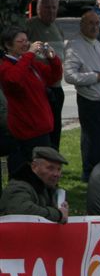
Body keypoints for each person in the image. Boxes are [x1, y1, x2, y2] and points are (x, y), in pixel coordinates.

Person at [64, 11, 100, 182]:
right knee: (91, 138)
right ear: (82, 25)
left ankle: (99, 170)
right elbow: (70, 76)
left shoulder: (97, 44)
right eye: (90, 23)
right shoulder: (75, 45)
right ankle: (88, 173)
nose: (95, 27)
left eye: (97, 23)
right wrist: (98, 76)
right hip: (90, 100)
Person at [0, 26, 62, 175]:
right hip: (27, 131)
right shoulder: (6, 67)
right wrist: (29, 55)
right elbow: (14, 80)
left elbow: (53, 77)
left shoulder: (29, 64)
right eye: (20, 41)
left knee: (45, 171)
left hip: (42, 128)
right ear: (8, 45)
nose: (26, 44)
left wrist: (52, 59)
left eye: (27, 40)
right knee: (28, 172)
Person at [26, 0, 65, 149]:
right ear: (38, 9)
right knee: (42, 130)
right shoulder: (29, 26)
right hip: (39, 88)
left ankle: (54, 162)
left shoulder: (58, 28)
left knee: (55, 128)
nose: (51, 11)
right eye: (47, 7)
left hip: (56, 86)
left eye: (54, 7)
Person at [0, 146, 69, 223]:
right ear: (34, 166)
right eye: (50, 168)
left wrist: (60, 208)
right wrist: (58, 214)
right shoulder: (18, 187)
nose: (56, 174)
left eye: (59, 169)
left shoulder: (47, 188)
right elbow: (22, 211)